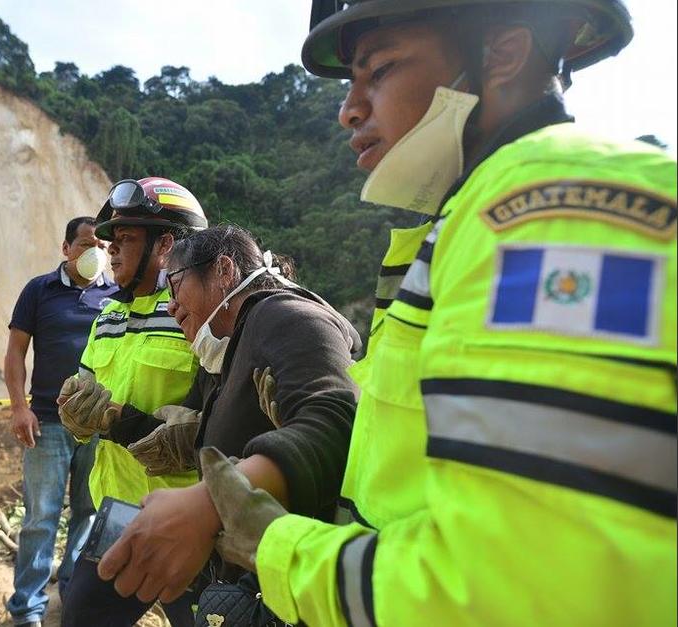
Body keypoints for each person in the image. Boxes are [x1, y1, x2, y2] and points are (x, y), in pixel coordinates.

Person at [195, 1, 678, 625]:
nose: (349, 109)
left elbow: (512, 584)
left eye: (382, 69)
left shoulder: (551, 212)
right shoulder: (465, 222)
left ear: (503, 54)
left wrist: (279, 549)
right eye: (351, 84)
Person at [95, 224, 361, 608]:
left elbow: (338, 420)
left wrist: (212, 502)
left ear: (223, 270)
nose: (170, 307)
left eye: (175, 286)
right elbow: (199, 434)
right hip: (250, 582)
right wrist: (114, 418)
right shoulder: (220, 355)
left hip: (297, 582)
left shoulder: (286, 314)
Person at [57, 177, 208, 627]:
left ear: (166, 245)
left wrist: (131, 424)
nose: (111, 251)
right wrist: (77, 417)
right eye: (111, 241)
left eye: (125, 239)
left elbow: (221, 422)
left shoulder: (196, 312)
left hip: (185, 521)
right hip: (118, 512)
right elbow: (86, 391)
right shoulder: (108, 314)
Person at [4, 216, 119, 626]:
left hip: (97, 426)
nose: (97, 253)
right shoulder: (39, 290)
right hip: (48, 423)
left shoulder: (118, 293)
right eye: (87, 244)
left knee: (88, 515)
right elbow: (16, 351)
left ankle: (72, 596)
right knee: (40, 518)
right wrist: (20, 407)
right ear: (66, 248)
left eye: (104, 246)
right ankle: (27, 608)